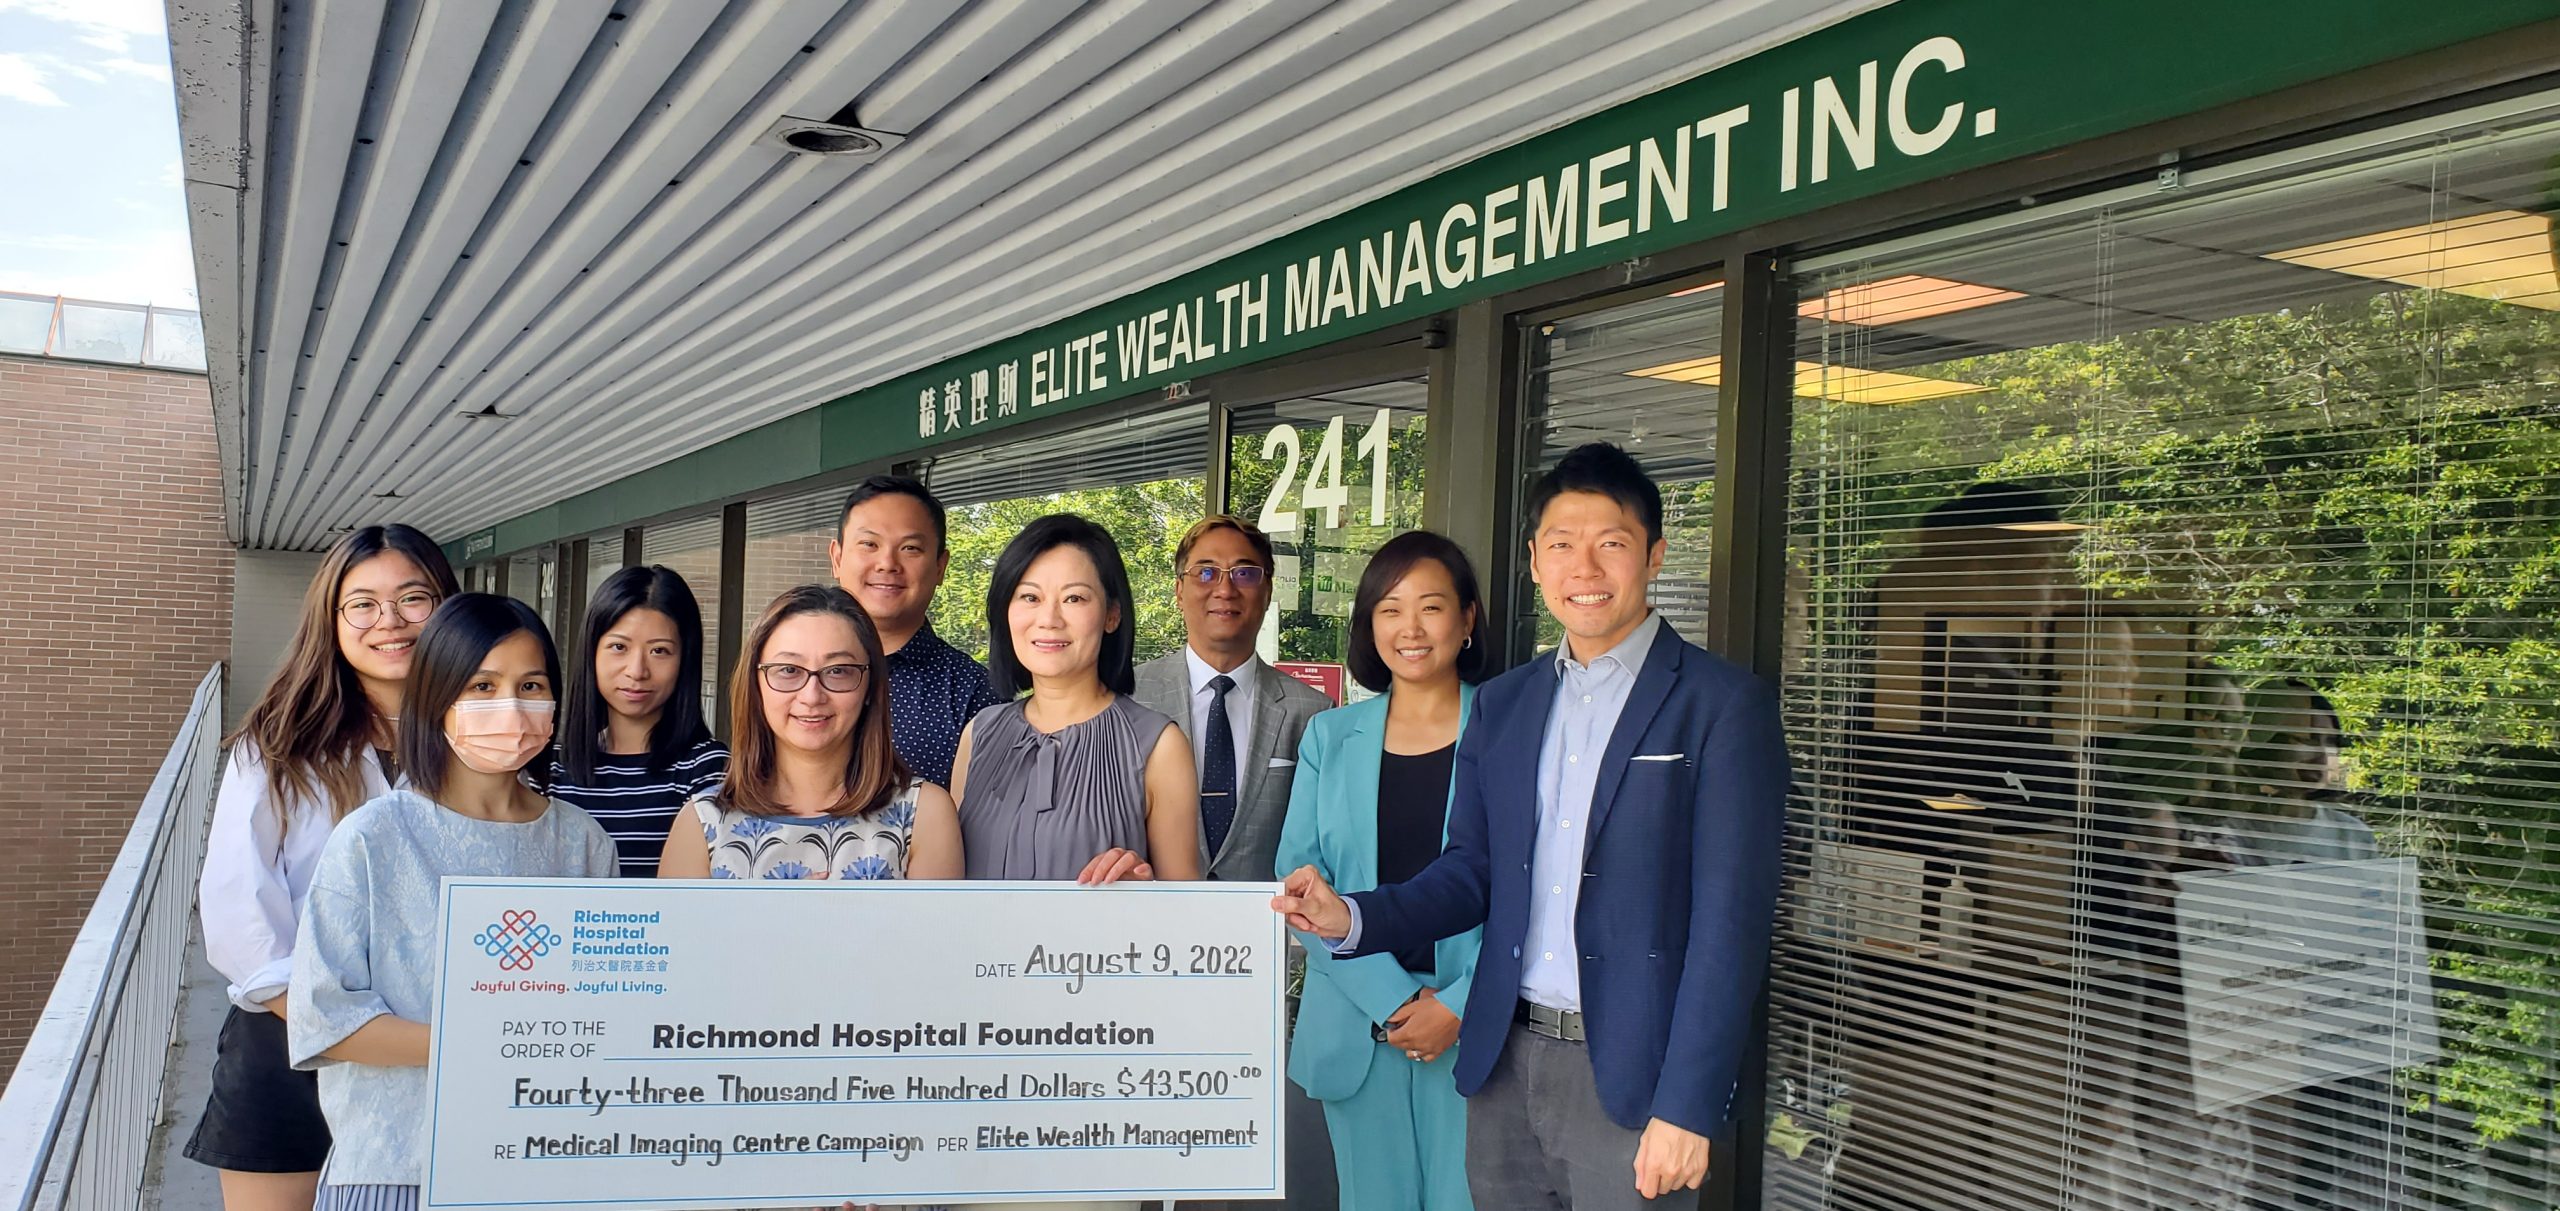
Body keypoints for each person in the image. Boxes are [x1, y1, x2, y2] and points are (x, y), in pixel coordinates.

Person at [1272, 443, 1791, 1208]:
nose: (1585, 567)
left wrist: (1688, 1103)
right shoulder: (1510, 702)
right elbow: (1471, 870)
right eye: (1562, 544)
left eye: (1611, 543)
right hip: (1504, 1067)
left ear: (1654, 555)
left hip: (1631, 1079)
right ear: (1534, 562)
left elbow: (1731, 924)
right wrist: (1354, 916)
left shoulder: (1721, 705)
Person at [288, 594, 619, 1211]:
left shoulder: (582, 843)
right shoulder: (373, 837)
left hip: (542, 1162)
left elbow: (602, 1006)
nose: (511, 707)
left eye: (531, 685)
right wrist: (486, 1041)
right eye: (482, 686)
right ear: (436, 696)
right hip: (395, 1167)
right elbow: (325, 1019)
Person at [186, 524, 457, 1211]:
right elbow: (240, 916)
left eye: (413, 598)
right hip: (288, 1048)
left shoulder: (484, 745)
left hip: (433, 1057)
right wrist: (342, 1025)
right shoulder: (276, 747)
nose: (389, 621)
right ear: (331, 621)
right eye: (362, 604)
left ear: (446, 607)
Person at [1274, 530, 1490, 1211]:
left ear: (1467, 619)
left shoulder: (1510, 728)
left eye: (1432, 607)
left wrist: (1457, 1005)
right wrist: (1395, 1001)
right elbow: (1300, 886)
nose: (1410, 628)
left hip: (1476, 1026)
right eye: (1390, 609)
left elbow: (1536, 885)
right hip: (1360, 1023)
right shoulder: (1331, 736)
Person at [952, 514, 1201, 885]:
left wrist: (1143, 890)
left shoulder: (1159, 745)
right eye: (1030, 597)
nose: (1049, 619)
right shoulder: (979, 734)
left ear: (1112, 615)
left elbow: (1187, 906)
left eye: (1074, 598)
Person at [657, 584, 962, 880]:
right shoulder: (701, 823)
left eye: (838, 670)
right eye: (789, 670)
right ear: (755, 684)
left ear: (870, 687)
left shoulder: (923, 814)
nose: (812, 696)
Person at [1132, 515, 1332, 882]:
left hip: (1267, 917)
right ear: (1179, 591)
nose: (1225, 590)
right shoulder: (1128, 699)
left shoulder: (1313, 714)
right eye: (1206, 573)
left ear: (1268, 592)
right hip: (1148, 915)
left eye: (1244, 574)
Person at [536, 565, 727, 876]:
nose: (637, 670)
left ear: (685, 659)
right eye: (619, 647)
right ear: (591, 652)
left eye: (660, 651)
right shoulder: (549, 769)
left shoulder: (706, 768)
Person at [831, 474, 1004, 788]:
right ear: (837, 557)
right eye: (869, 544)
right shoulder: (786, 675)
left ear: (940, 566)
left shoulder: (978, 694)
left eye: (910, 548)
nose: (887, 563)